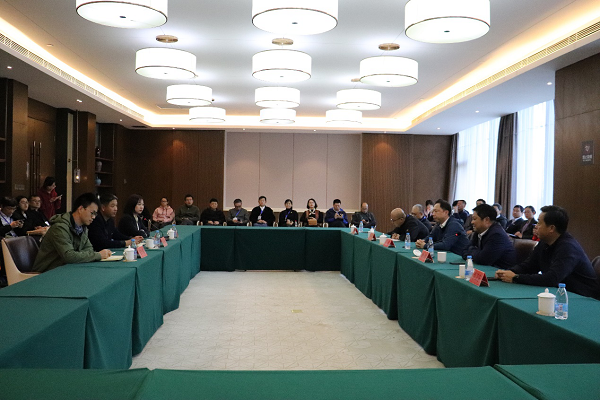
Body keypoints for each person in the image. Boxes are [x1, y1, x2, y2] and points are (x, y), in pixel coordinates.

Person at [496, 206, 600, 299]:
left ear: (551, 228)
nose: (535, 226)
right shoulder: (544, 242)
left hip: (583, 298)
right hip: (561, 295)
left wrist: (516, 278)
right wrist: (508, 272)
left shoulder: (568, 247)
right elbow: (529, 266)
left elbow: (552, 278)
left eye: (539, 223)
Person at [32, 193, 112, 273]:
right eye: (92, 213)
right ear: (81, 209)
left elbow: (89, 250)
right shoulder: (60, 227)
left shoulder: (83, 228)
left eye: (95, 214)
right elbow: (69, 256)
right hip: (47, 272)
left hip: (67, 270)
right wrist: (99, 255)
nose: (93, 217)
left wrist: (79, 255)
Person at [462, 204, 516, 269]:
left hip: (500, 271)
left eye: (474, 219)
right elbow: (464, 250)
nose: (472, 222)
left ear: (486, 220)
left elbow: (483, 259)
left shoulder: (497, 235)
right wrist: (475, 252)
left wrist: (471, 250)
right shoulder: (478, 231)